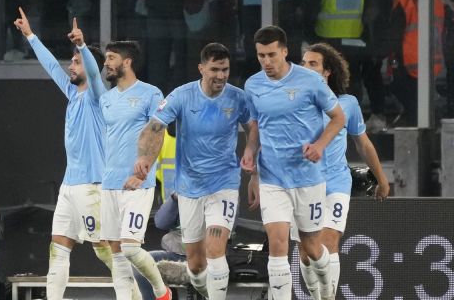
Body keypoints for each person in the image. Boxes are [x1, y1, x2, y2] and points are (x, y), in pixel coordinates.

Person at [125, 42, 255, 300]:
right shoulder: (181, 96)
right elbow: (155, 127)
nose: (221, 75)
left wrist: (254, 162)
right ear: (201, 68)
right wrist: (144, 159)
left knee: (216, 251)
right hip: (190, 189)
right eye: (215, 69)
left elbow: (254, 127)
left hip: (224, 186)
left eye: (225, 70)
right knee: (196, 267)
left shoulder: (238, 97)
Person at [13, 8, 114, 300]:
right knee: (58, 246)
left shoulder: (98, 96)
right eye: (71, 60)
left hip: (92, 186)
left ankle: (136, 291)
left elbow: (95, 74)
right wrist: (30, 36)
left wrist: (83, 45)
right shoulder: (72, 94)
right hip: (69, 187)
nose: (70, 65)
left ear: (90, 67)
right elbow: (51, 67)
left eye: (76, 61)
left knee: (106, 250)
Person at [241, 25, 345, 300]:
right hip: (273, 178)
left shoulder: (310, 81)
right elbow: (255, 125)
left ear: (285, 52)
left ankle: (325, 290)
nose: (266, 62)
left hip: (307, 178)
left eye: (272, 55)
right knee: (277, 243)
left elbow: (338, 118)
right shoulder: (253, 85)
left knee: (312, 247)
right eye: (261, 55)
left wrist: (320, 145)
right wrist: (251, 150)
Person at [297, 42, 390, 298]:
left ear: (327, 71)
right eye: (303, 63)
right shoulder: (293, 103)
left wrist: (382, 179)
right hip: (303, 185)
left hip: (336, 183)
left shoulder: (346, 104)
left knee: (328, 243)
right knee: (306, 252)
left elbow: (363, 144)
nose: (306, 67)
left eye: (313, 63)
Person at [81, 39, 170, 300]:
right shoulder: (106, 99)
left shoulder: (151, 93)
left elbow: (157, 133)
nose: (106, 63)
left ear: (127, 62)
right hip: (109, 184)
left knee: (131, 249)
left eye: (110, 58)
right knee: (116, 253)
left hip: (138, 185)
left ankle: (161, 291)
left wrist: (141, 173)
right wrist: (82, 47)